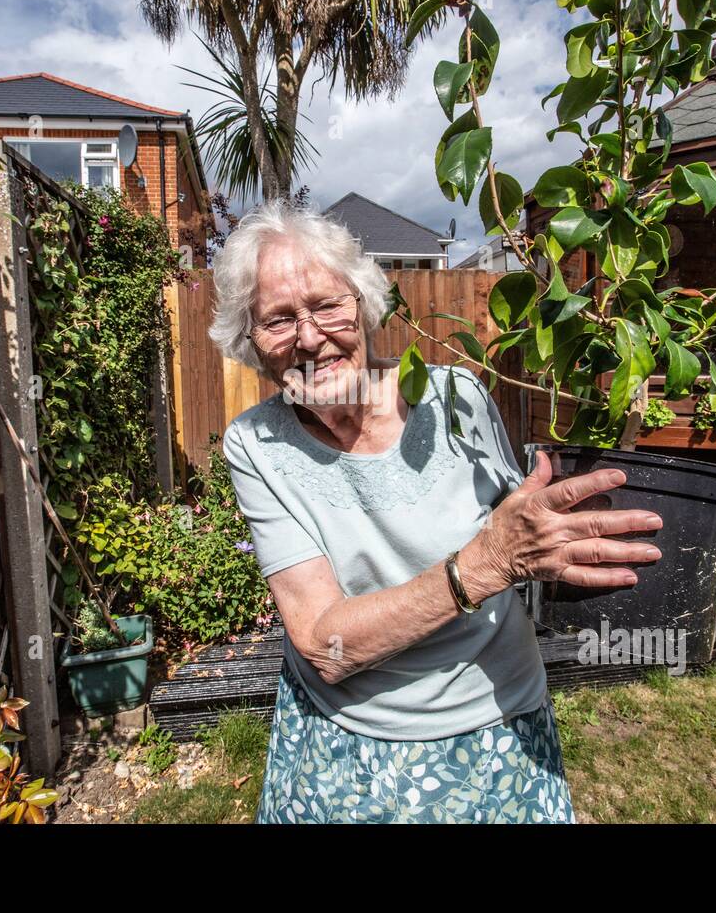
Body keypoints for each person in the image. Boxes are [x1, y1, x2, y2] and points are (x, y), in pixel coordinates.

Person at [208, 199, 664, 823]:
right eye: (278, 321)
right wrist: (485, 565)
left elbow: (522, 527)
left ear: (364, 304)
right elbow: (323, 643)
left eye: (325, 305)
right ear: (252, 343)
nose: (309, 338)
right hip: (347, 741)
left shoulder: (456, 398)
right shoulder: (256, 445)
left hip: (500, 717)